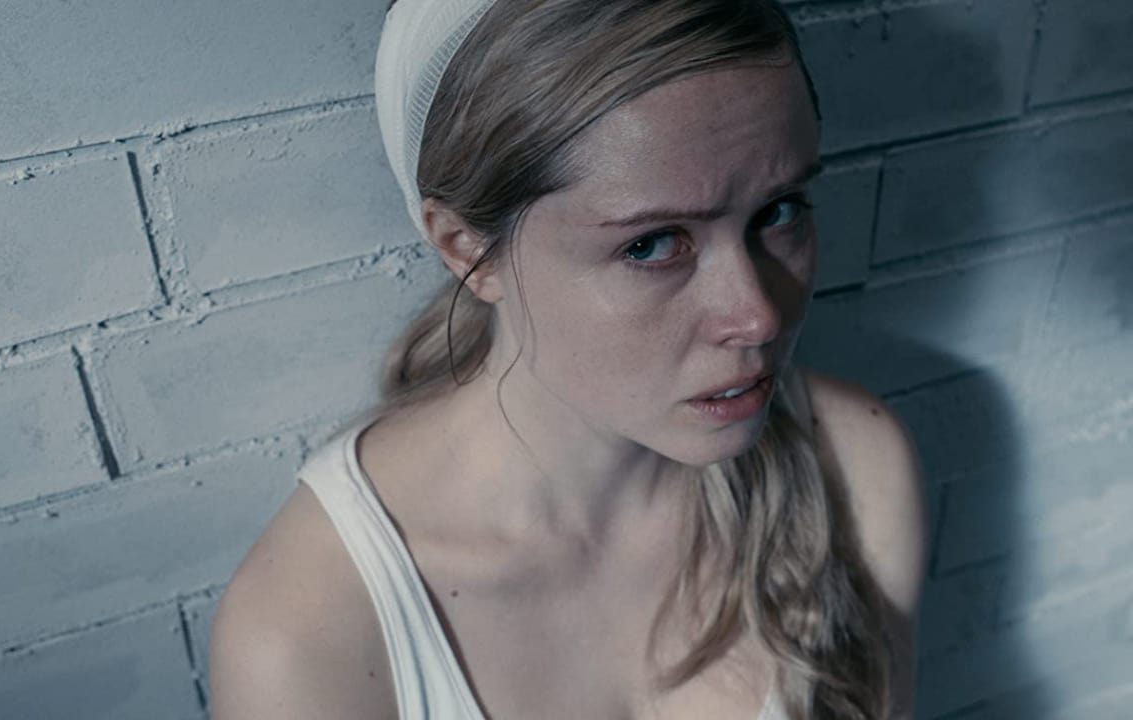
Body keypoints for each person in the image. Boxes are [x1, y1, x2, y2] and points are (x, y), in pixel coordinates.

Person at [210, 0, 927, 718]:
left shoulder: (852, 467)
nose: (757, 317)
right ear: (466, 248)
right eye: (651, 244)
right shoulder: (309, 638)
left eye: (779, 211)